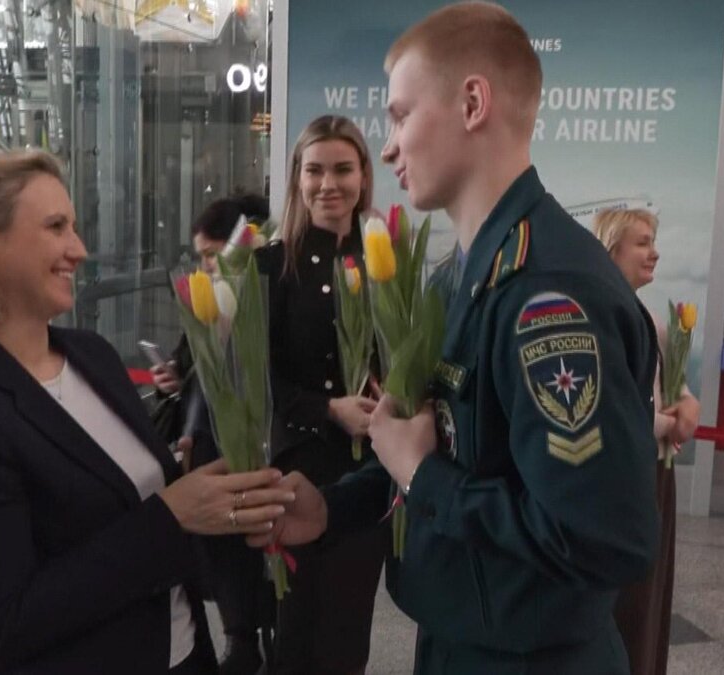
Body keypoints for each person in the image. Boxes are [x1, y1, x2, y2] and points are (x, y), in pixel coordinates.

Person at [251, 4, 660, 673]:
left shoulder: (550, 291)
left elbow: (601, 537)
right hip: (459, 636)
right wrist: (335, 505)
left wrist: (424, 476)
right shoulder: (458, 277)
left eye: (402, 115)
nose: (387, 148)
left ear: (473, 102)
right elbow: (453, 446)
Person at [0, 146, 295, 674]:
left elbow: (130, 512)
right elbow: (1, 625)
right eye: (56, 227)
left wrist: (215, 501)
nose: (78, 249)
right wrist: (173, 515)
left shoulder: (90, 356)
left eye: (74, 226)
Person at [256, 114, 387, 675]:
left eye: (342, 169)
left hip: (369, 475)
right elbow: (257, 382)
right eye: (315, 170)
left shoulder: (388, 264)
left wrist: (392, 397)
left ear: (363, 177)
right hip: (298, 470)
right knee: (297, 629)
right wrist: (329, 408)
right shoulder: (269, 268)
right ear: (297, 178)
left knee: (346, 632)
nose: (328, 184)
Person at [150, 193, 276, 675]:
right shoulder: (206, 301)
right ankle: (241, 637)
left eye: (211, 254)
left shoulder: (263, 298)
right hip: (204, 449)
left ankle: (249, 638)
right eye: (200, 256)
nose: (204, 265)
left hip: (245, 447)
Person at [594, 207, 700, 675]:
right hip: (623, 476)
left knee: (651, 596)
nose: (654, 252)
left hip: (655, 473)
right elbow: (610, 413)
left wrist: (688, 407)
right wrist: (665, 424)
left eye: (653, 240)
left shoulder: (649, 319)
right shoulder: (600, 317)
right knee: (630, 602)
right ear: (611, 247)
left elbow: (670, 388)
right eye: (641, 242)